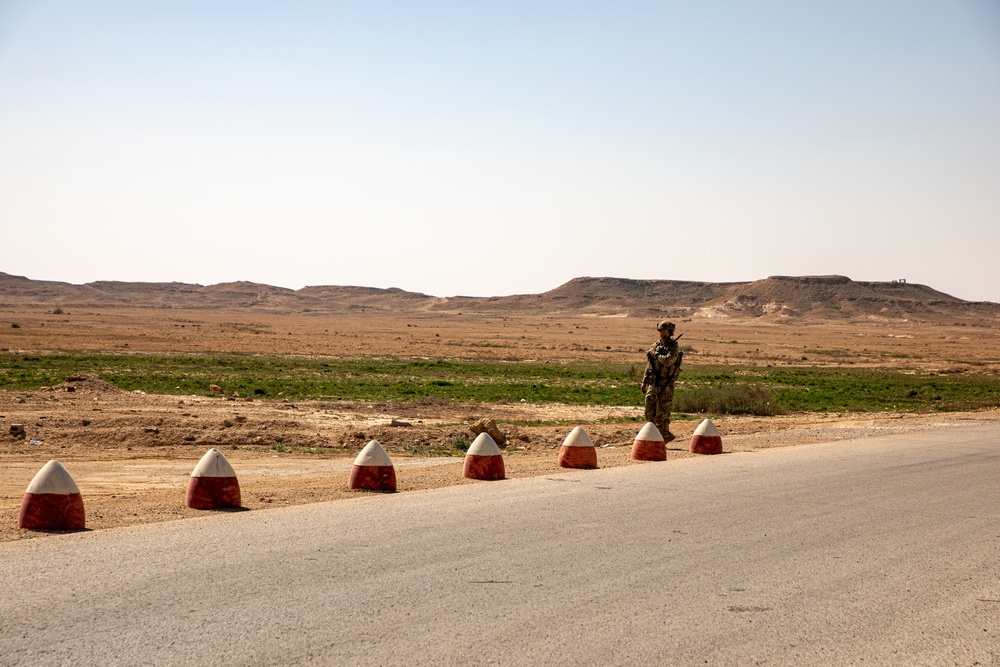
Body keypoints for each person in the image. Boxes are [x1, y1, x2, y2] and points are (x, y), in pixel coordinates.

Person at [640, 320, 683, 443]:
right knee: (649, 412)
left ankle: (663, 437)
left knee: (662, 413)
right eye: (660, 331)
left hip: (666, 384)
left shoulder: (673, 347)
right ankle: (653, 436)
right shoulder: (656, 345)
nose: (662, 334)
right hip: (654, 382)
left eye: (665, 331)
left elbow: (668, 361)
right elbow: (649, 365)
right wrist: (644, 381)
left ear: (670, 332)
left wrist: (656, 354)